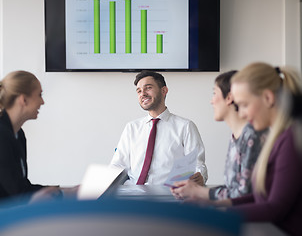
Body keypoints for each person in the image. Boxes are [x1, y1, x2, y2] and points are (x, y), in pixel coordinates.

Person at [176, 62, 302, 235]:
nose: (241, 113)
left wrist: (213, 212)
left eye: (244, 104)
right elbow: (258, 198)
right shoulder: (280, 138)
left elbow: (275, 208)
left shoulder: (291, 140)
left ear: (268, 98)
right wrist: (211, 203)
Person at [0, 71, 75, 206]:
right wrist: (62, 193)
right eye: (39, 95)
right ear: (23, 100)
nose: (42, 102)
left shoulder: (17, 134)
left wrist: (66, 190)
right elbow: (19, 195)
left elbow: (22, 187)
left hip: (5, 210)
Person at [171, 70, 268, 201]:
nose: (211, 101)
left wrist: (201, 193)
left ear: (229, 98)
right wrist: (195, 190)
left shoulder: (252, 137)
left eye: (214, 93)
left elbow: (243, 195)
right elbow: (233, 188)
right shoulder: (236, 136)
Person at [110, 70, 207, 186]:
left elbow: (197, 165)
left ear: (164, 91)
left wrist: (199, 176)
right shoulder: (131, 128)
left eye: (148, 88)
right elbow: (118, 165)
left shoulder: (185, 127)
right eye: (139, 91)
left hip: (169, 194)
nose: (143, 94)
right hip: (133, 193)